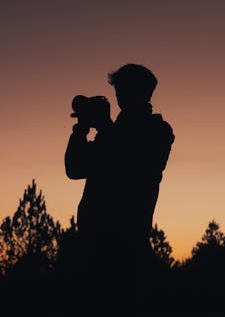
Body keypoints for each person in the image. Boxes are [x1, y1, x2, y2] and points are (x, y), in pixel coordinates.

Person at [64, 63, 175, 315]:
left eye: (123, 90)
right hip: (94, 245)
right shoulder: (113, 132)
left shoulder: (157, 130)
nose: (120, 97)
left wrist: (104, 126)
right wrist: (81, 129)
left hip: (126, 246)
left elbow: (130, 162)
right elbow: (75, 168)